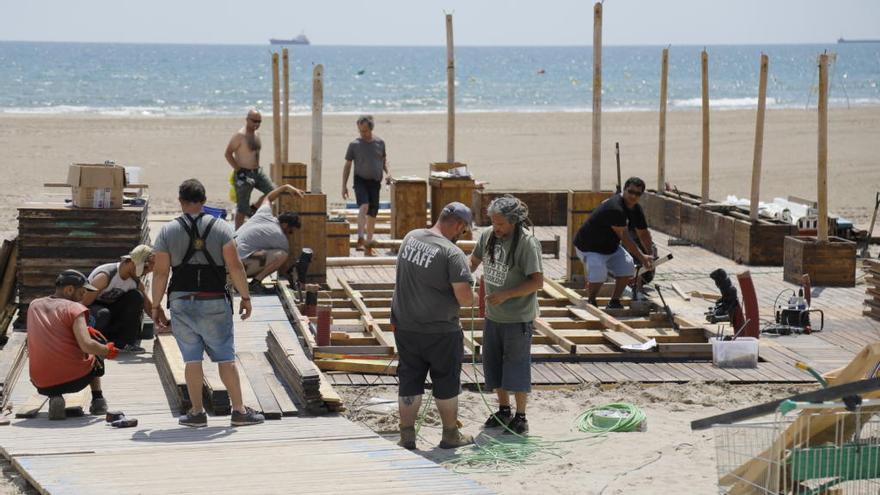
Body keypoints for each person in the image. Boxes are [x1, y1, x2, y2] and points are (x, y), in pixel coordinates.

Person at [151, 178, 264, 428]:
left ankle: (197, 413)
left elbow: (160, 273)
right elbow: (234, 266)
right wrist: (245, 297)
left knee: (192, 361)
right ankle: (239, 410)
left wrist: (155, 304)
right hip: (214, 301)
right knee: (225, 358)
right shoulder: (222, 228)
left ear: (180, 202)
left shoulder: (168, 231)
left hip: (181, 301)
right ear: (203, 201)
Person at [391, 201, 475, 450]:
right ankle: (450, 434)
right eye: (463, 230)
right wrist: (477, 295)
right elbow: (465, 298)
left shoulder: (411, 237)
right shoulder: (452, 254)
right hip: (440, 331)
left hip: (405, 326)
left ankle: (407, 436)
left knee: (409, 379)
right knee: (445, 382)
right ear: (459, 225)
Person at [470, 196, 543, 435]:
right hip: (493, 316)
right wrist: (458, 277)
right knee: (494, 365)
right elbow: (473, 261)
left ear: (513, 221)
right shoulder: (488, 236)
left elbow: (537, 282)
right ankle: (503, 409)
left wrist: (507, 295)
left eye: (500, 224)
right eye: (493, 222)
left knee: (517, 366)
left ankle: (521, 416)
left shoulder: (526, 243)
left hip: (517, 317)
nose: (496, 227)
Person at [27, 270, 119, 420]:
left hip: (41, 383)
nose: (84, 296)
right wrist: (106, 350)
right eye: (82, 292)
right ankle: (98, 400)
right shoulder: (75, 308)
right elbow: (87, 345)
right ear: (69, 290)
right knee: (97, 342)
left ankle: (55, 397)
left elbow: (54, 329)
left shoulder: (34, 305)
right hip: (76, 379)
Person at [573, 177, 654, 309]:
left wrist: (650, 255)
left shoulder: (636, 209)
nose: (633, 196)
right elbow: (625, 238)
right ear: (624, 190)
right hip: (589, 247)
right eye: (630, 192)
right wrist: (642, 257)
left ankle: (614, 301)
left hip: (610, 247)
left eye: (637, 194)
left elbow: (643, 233)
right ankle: (591, 300)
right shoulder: (615, 208)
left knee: (627, 266)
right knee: (599, 273)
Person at [82, 244, 162, 353]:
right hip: (95, 313)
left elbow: (149, 306)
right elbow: (83, 303)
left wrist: (164, 323)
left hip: (113, 314)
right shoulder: (105, 276)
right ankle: (95, 342)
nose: (145, 272)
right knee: (103, 313)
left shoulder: (135, 281)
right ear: (131, 262)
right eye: (145, 268)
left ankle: (124, 343)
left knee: (137, 297)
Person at [235, 184, 304, 293]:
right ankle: (255, 283)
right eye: (291, 231)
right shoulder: (279, 236)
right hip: (236, 268)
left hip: (227, 262)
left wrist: (285, 187)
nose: (290, 234)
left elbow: (268, 198)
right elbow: (285, 260)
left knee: (259, 252)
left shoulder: (264, 213)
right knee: (282, 255)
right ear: (285, 225)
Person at [341, 115, 392, 256]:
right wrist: (344, 185)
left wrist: (388, 174)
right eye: (360, 131)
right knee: (364, 206)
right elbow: (347, 165)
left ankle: (368, 245)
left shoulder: (380, 143)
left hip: (375, 182)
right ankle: (360, 237)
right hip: (360, 180)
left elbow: (384, 160)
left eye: (364, 131)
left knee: (373, 213)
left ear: (370, 129)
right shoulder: (354, 145)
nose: (362, 134)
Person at [225, 109, 275, 229]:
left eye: (259, 122)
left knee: (272, 192)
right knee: (242, 208)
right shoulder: (240, 135)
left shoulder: (257, 134)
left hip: (257, 172)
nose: (256, 124)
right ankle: (237, 234)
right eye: (254, 121)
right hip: (243, 173)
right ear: (247, 119)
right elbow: (228, 154)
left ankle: (253, 208)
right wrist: (239, 171)